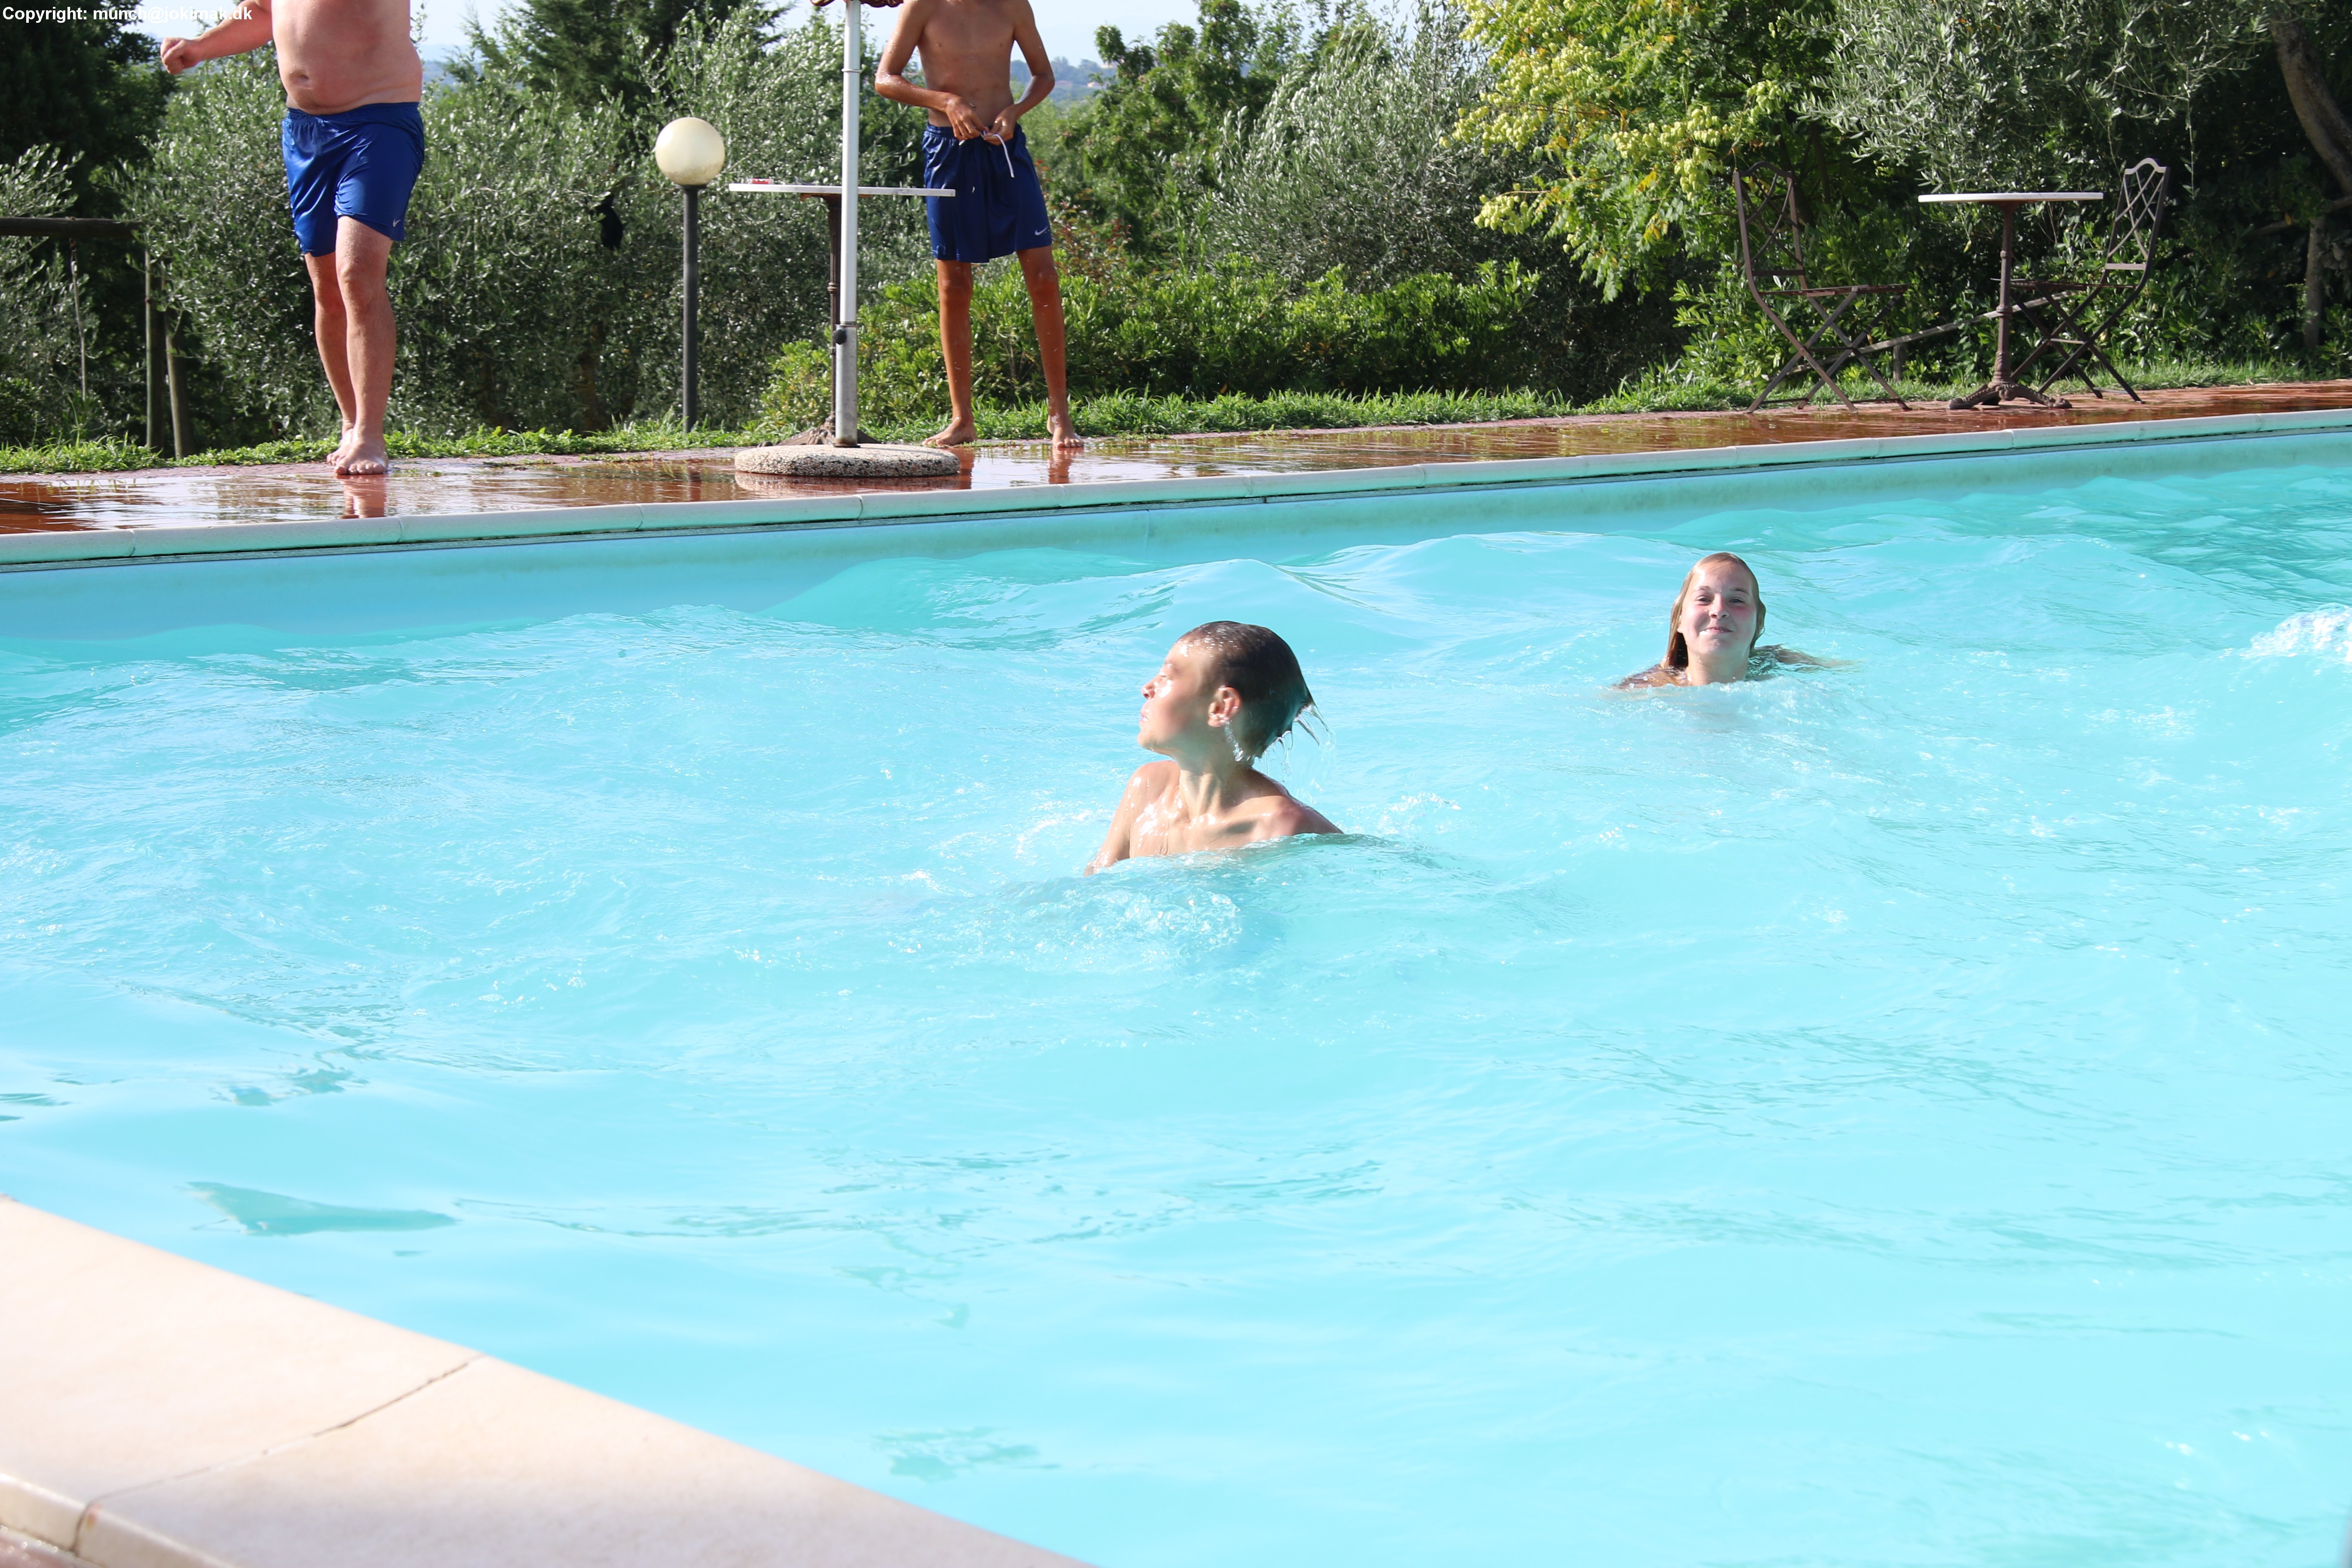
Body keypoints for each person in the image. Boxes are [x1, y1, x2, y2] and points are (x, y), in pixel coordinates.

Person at [162, 0, 423, 478]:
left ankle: (371, 433)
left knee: (356, 273)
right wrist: (200, 47)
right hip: (305, 132)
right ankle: (351, 423)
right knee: (328, 288)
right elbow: (260, 12)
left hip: (378, 124)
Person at [873, 0, 1082, 453]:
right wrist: (945, 101)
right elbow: (885, 79)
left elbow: (1044, 75)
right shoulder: (921, 6)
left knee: (1044, 277)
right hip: (948, 151)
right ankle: (962, 419)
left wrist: (1016, 111)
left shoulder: (1012, 5)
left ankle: (1059, 414)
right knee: (954, 285)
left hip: (1006, 148)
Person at [1089, 622, 1340, 871]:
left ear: (1220, 708)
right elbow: (1097, 878)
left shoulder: (1282, 826)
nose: (1147, 689)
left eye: (1166, 677)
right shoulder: (1148, 787)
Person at [1617, 551, 1836, 688]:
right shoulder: (1641, 693)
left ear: (1759, 622)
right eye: (1704, 599)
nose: (1719, 611)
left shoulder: (1784, 672)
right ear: (1680, 620)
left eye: (1737, 600)